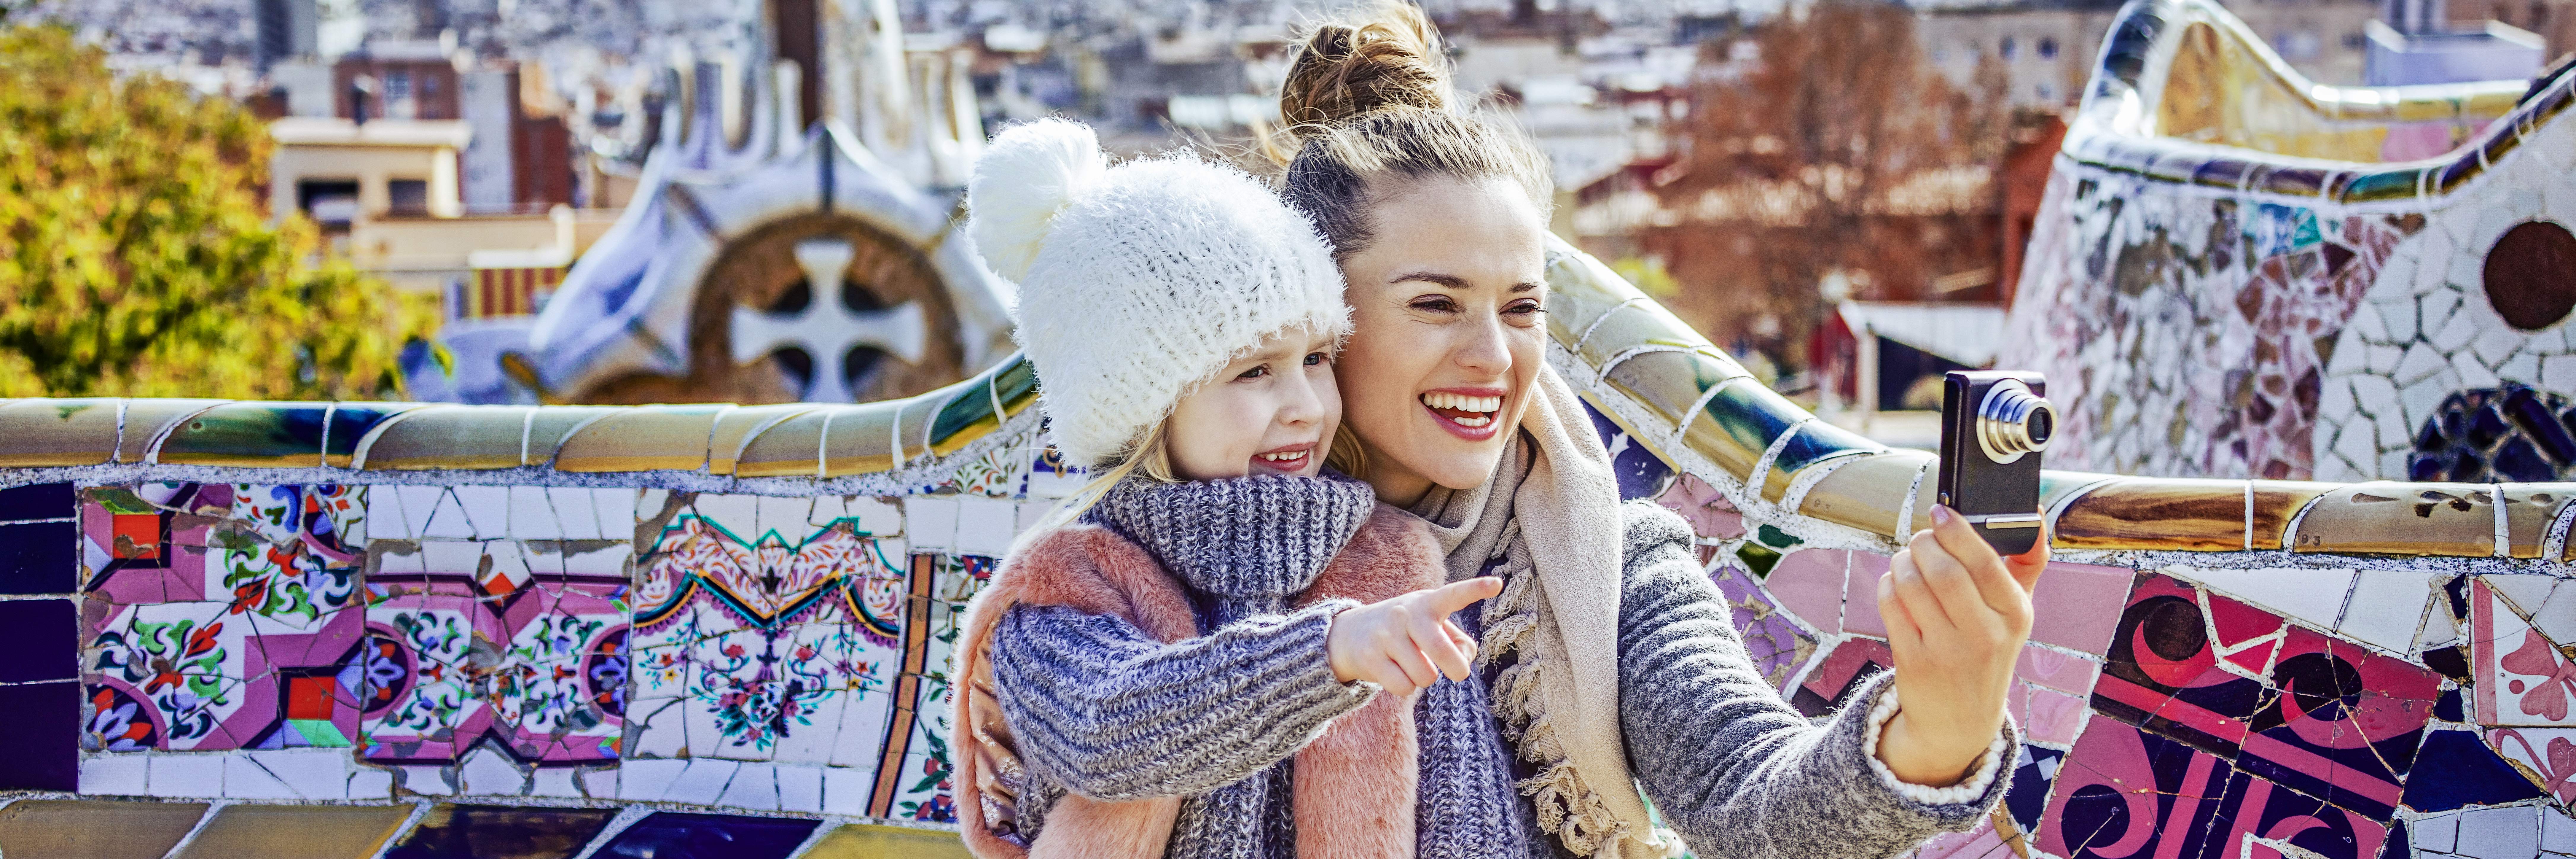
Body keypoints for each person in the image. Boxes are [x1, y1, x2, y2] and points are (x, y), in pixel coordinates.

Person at [1272, 5, 2045, 858]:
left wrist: (1937, 731)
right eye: (1435, 304)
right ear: (1321, 318)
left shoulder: (1612, 569)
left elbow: (1751, 797)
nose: (1493, 357)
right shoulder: (1190, 551)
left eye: (1523, 308)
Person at [950, 118, 1513, 859]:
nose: (1307, 405)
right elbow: (1107, 728)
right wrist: (1328, 653)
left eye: (1317, 357)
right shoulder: (1069, 587)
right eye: (1253, 371)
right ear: (1145, 407)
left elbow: (1465, 816)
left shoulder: (1388, 567)